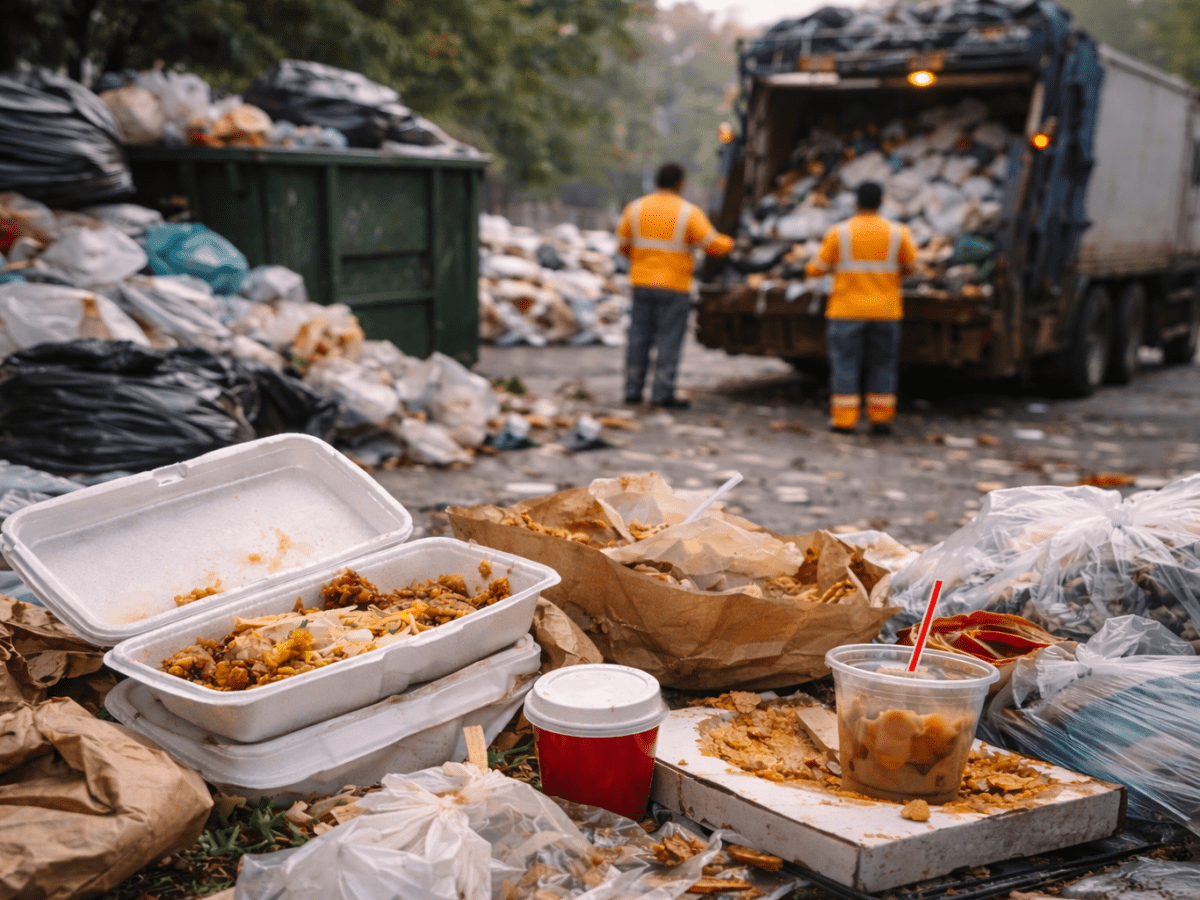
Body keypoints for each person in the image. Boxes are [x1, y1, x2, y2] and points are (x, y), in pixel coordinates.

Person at [616, 162, 734, 408]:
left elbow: (623, 244)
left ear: (657, 180)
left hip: (641, 283)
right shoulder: (687, 212)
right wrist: (733, 243)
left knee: (638, 337)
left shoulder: (636, 208)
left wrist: (642, 263)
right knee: (668, 340)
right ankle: (662, 393)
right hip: (674, 286)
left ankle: (632, 390)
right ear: (680, 183)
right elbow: (713, 245)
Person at [806, 180, 916, 435]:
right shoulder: (898, 232)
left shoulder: (840, 232)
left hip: (846, 310)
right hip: (886, 311)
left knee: (845, 363)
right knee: (883, 364)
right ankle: (881, 419)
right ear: (881, 203)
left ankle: (844, 421)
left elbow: (816, 269)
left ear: (856, 202)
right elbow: (911, 267)